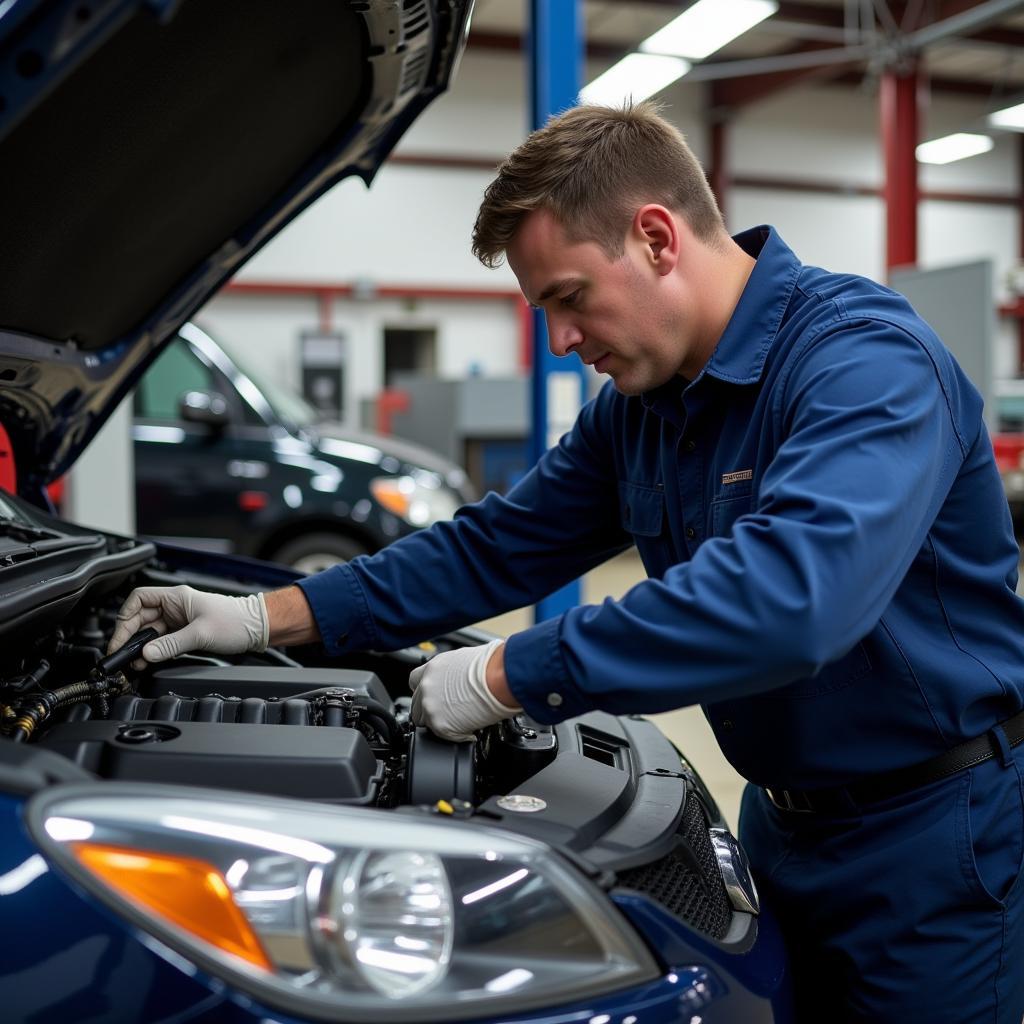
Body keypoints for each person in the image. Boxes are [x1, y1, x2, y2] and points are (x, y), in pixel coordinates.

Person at [109, 101, 1024, 1021]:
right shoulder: (646, 405)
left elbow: (794, 600)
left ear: (658, 238)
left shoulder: (862, 363)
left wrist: (510, 672)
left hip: (936, 844)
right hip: (781, 825)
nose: (558, 342)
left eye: (568, 297)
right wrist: (265, 618)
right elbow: (497, 545)